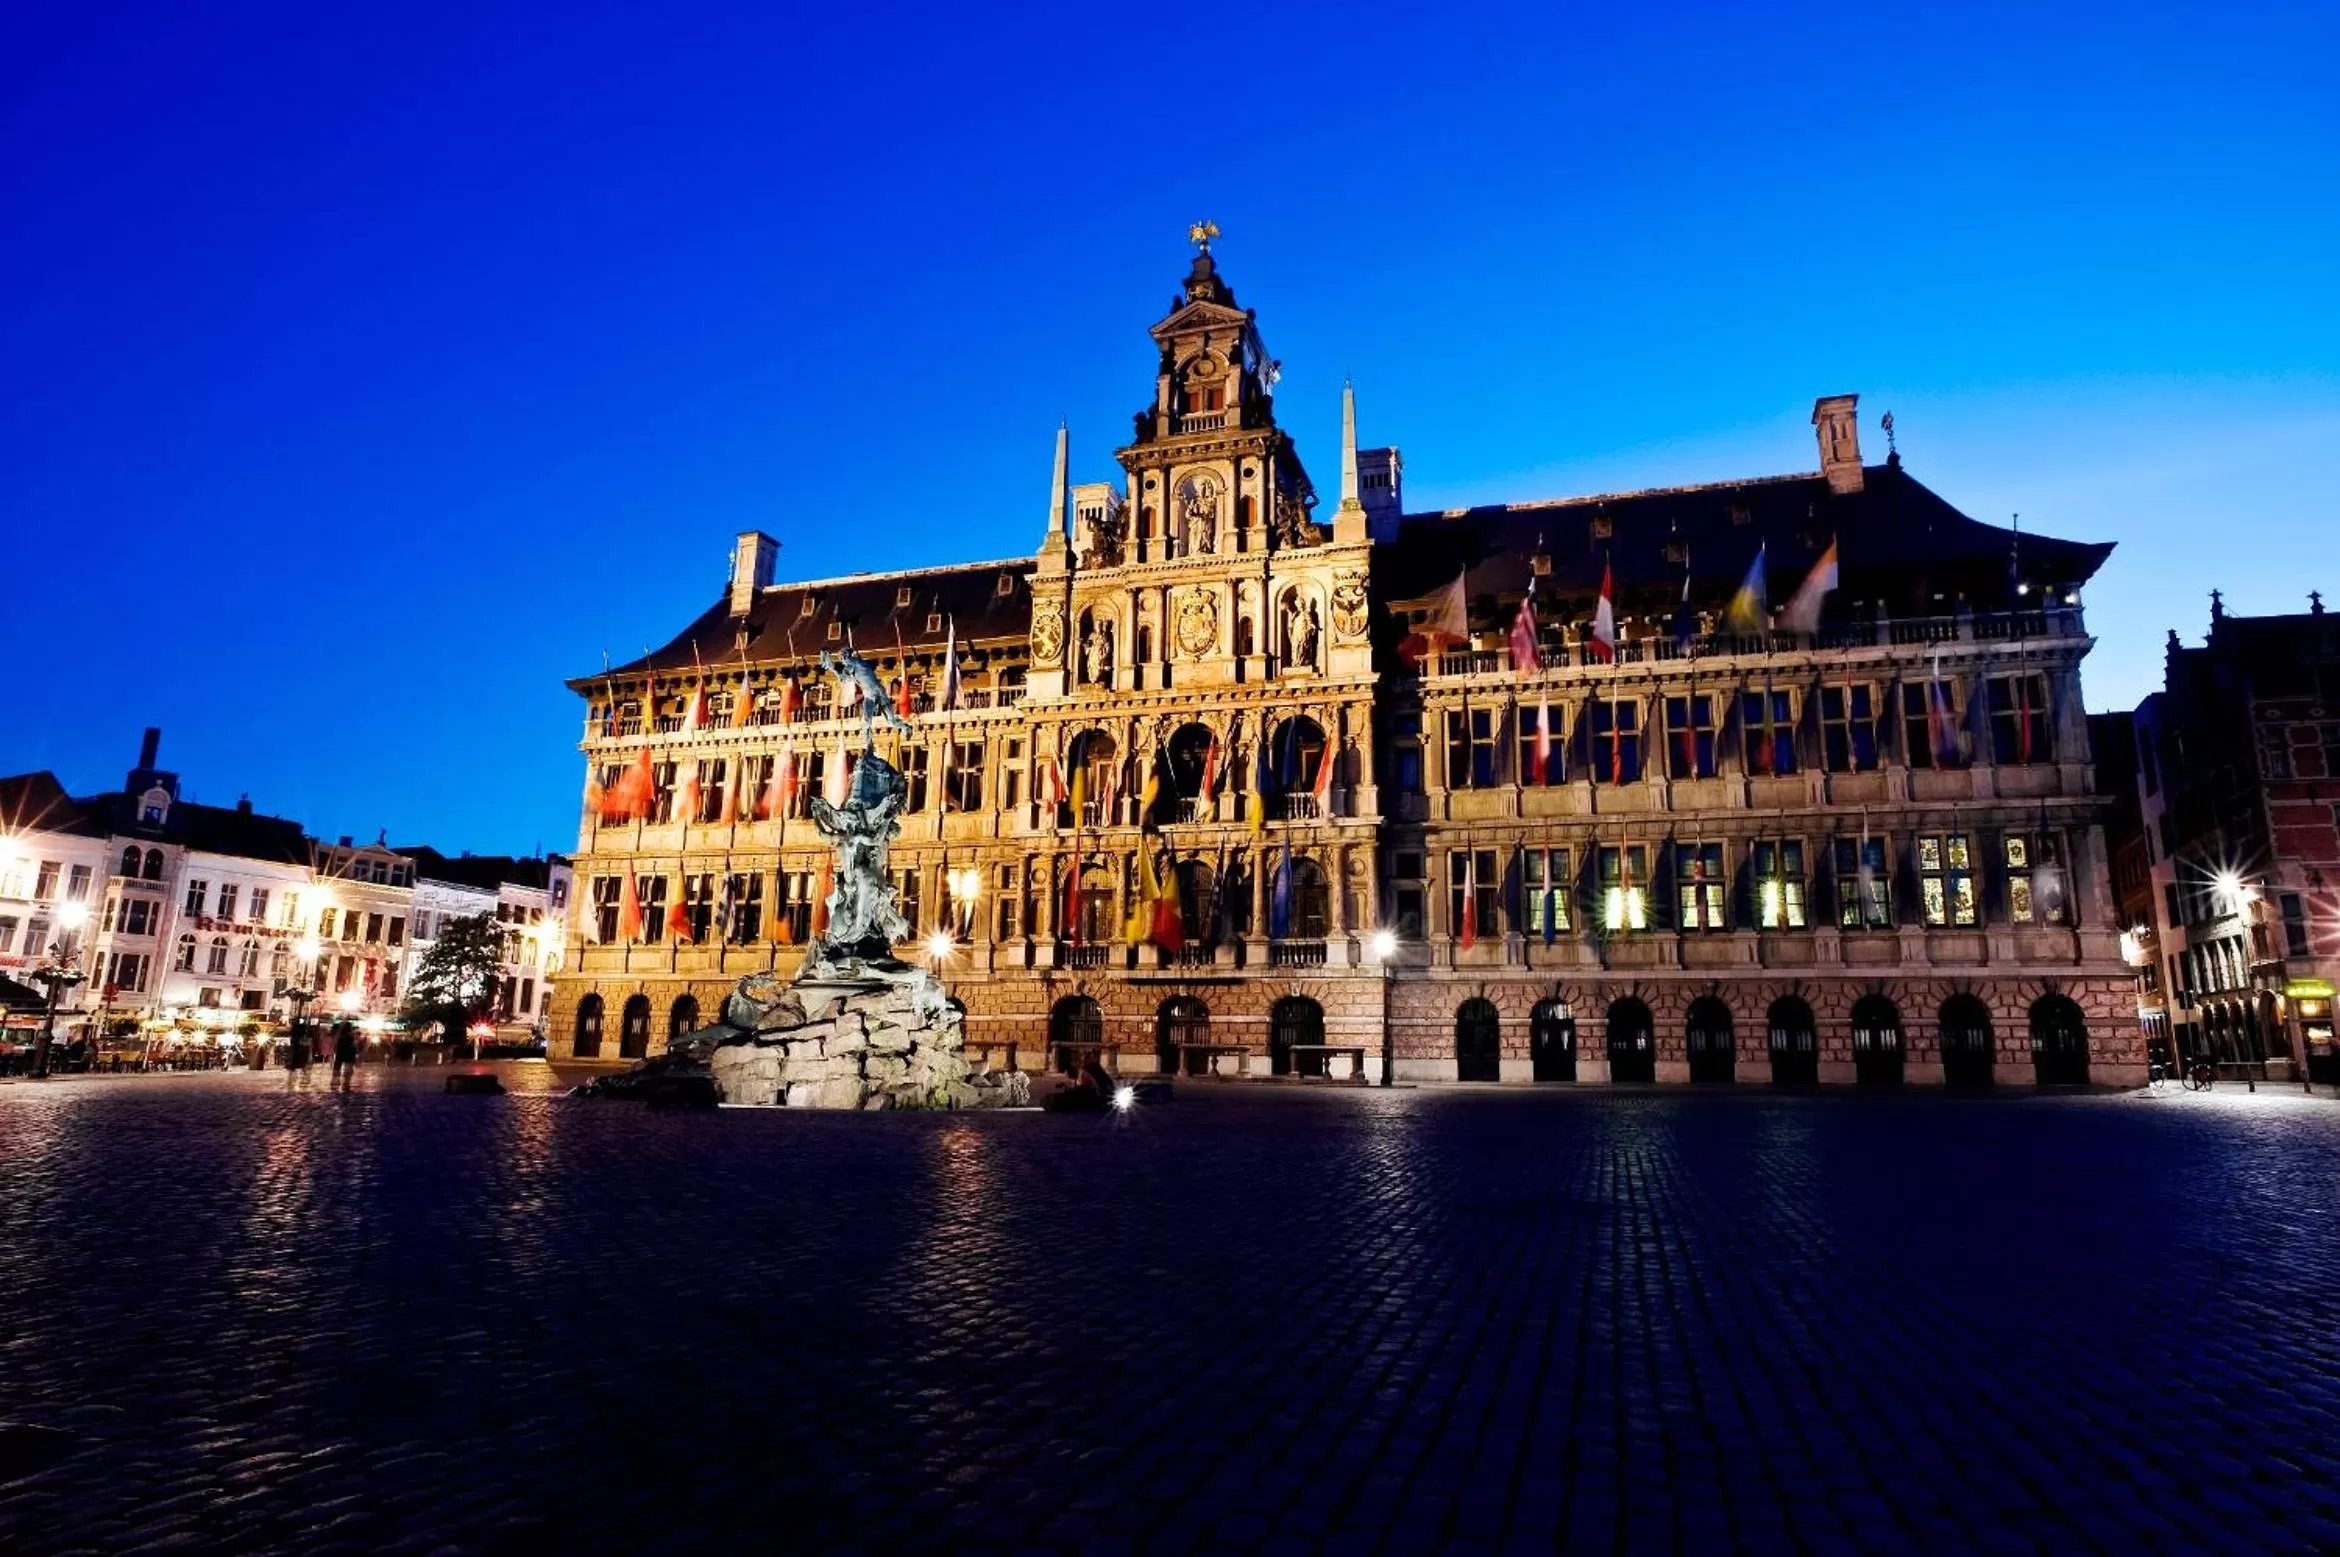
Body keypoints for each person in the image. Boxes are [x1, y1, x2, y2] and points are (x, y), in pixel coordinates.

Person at [331, 1019, 359, 1086]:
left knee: (337, 1066)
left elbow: (335, 1044)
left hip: (340, 1052)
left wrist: (335, 1049)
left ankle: (336, 1080)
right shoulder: (352, 1035)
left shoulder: (339, 1035)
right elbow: (355, 1044)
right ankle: (346, 1081)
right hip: (349, 1053)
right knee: (348, 1068)